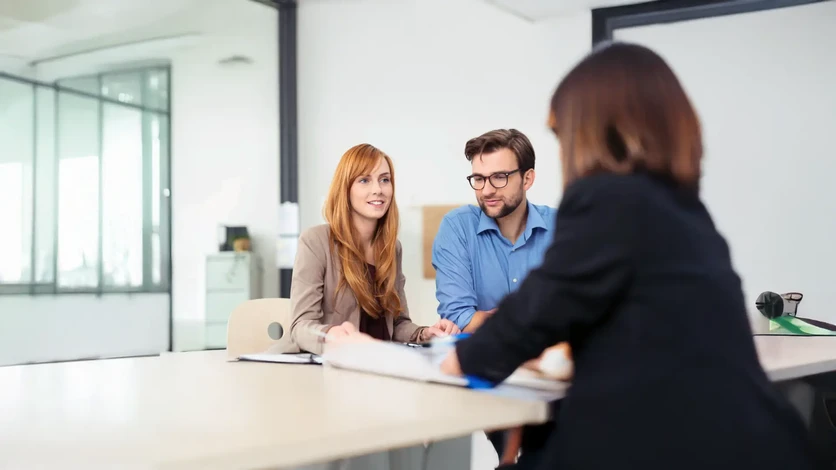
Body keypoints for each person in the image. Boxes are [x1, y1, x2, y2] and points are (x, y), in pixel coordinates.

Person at [440, 42, 825, 470]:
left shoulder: (607, 199)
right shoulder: (685, 211)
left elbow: (528, 319)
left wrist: (455, 358)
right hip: (752, 444)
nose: (564, 151)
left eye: (563, 135)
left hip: (664, 447)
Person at [431, 129, 557, 464]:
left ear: (527, 178)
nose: (486, 189)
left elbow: (580, 315)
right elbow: (460, 317)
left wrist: (497, 321)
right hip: (492, 376)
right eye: (479, 178)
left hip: (554, 378)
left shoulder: (561, 228)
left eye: (499, 177)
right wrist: (533, 321)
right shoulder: (457, 228)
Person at [290, 143, 459, 355]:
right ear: (345, 189)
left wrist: (424, 334)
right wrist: (331, 334)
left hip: (380, 364)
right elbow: (300, 327)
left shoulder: (392, 248)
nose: (378, 189)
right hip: (333, 366)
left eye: (384, 180)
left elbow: (397, 324)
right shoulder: (316, 241)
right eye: (364, 180)